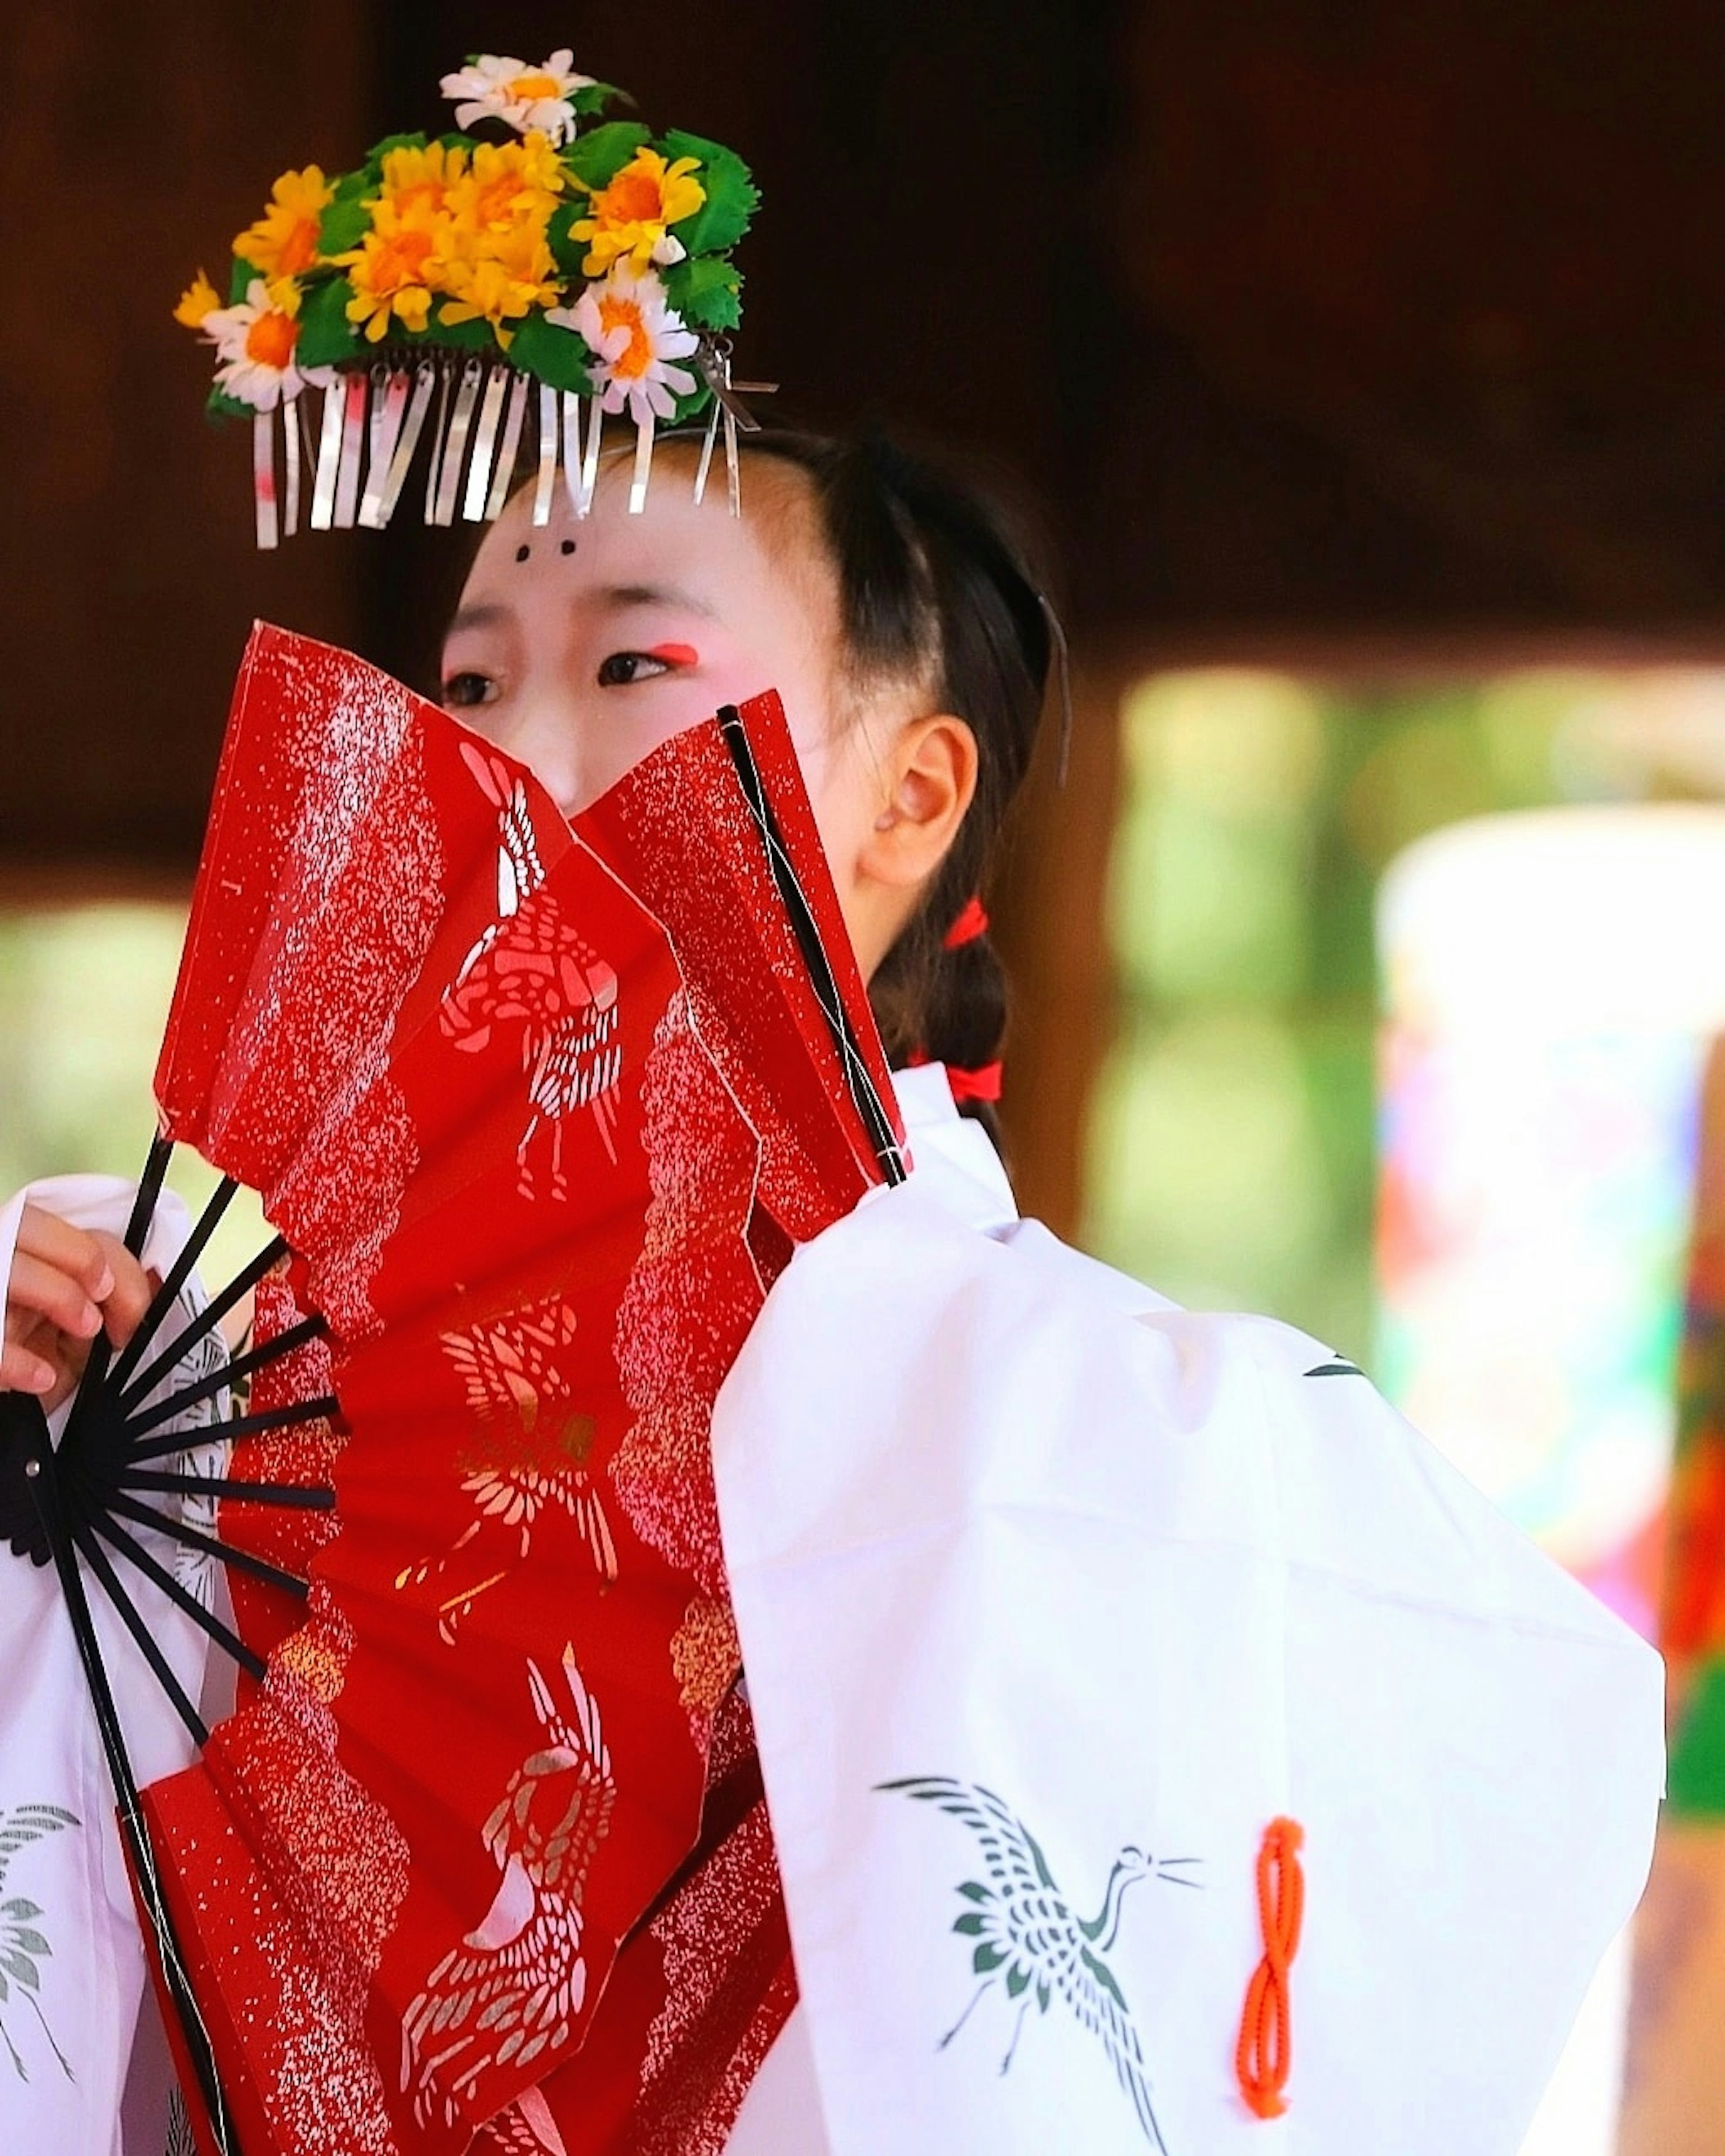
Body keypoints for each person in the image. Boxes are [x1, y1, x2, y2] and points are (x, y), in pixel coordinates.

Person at [4, 421, 1664, 2155]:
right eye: (469, 683)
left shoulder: (1111, 1424)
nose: (507, 754)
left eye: (636, 661)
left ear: (913, 794)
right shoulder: (228, 1385)